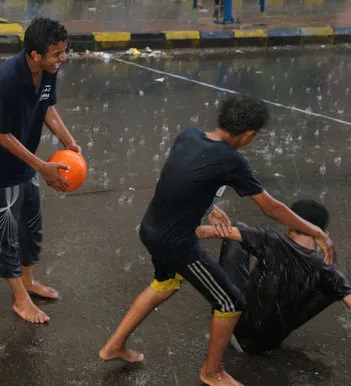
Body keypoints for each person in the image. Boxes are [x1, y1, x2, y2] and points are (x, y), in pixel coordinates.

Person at [98, 95, 334, 386]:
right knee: (230, 301)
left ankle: (114, 346)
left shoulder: (190, 136)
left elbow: (181, 180)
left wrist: (207, 208)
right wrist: (317, 231)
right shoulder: (232, 161)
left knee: (165, 283)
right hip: (176, 243)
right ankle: (212, 373)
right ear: (247, 135)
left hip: (151, 227)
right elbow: (270, 208)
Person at [0, 17, 80, 324]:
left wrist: (69, 141)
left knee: (31, 224)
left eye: (63, 51)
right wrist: (42, 166)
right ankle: (20, 299)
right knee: (5, 233)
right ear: (34, 55)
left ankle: (29, 281)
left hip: (25, 161)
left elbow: (47, 106)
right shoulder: (8, 80)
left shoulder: (47, 71)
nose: (63, 58)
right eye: (57, 53)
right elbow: (1, 135)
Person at [197, 200, 351, 354]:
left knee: (240, 229)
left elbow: (207, 231)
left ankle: (225, 315)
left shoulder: (271, 240)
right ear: (325, 234)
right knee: (335, 286)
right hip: (266, 344)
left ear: (290, 227)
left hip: (234, 331)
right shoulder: (328, 270)